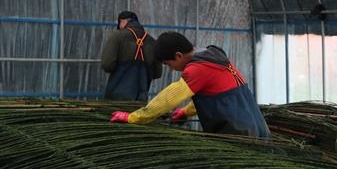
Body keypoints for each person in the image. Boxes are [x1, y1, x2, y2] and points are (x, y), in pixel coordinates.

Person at [109, 31, 271, 138]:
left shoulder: (196, 69)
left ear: (178, 56)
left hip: (239, 134)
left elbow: (168, 99)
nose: (171, 69)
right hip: (257, 129)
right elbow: (217, 95)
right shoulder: (213, 56)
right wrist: (186, 112)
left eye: (168, 64)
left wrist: (133, 117)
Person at [101, 11, 162, 101]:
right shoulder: (152, 41)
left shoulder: (117, 36)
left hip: (116, 98)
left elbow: (107, 65)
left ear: (123, 22)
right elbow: (157, 73)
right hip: (141, 99)